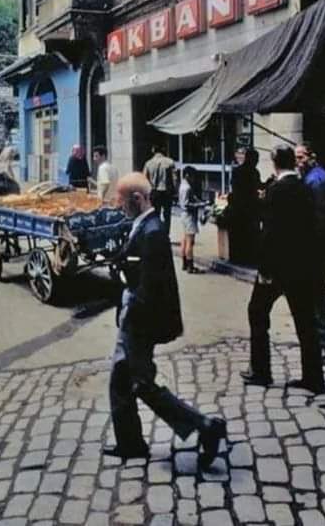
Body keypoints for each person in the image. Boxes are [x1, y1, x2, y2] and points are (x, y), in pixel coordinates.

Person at [106, 172, 226, 468]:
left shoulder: (153, 232)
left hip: (139, 322)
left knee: (141, 384)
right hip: (134, 318)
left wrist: (131, 319)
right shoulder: (144, 226)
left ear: (138, 199)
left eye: (122, 201)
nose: (119, 206)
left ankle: (205, 427)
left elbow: (150, 287)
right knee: (121, 381)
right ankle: (130, 443)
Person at [241, 145, 325, 394]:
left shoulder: (275, 192)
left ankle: (261, 371)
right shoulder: (304, 189)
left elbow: (269, 234)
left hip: (277, 268)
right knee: (306, 322)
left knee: (257, 312)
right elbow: (313, 228)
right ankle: (314, 377)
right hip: (302, 267)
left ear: (275, 163)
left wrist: (264, 268)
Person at [295, 142, 325, 357]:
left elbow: (320, 219)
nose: (298, 162)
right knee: (317, 296)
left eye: (301, 157)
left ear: (311, 157)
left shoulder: (315, 181)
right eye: (296, 158)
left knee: (310, 296)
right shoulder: (323, 177)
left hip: (317, 248)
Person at [226, 147, 262, 265]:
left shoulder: (238, 171)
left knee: (238, 235)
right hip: (249, 208)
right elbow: (257, 187)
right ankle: (249, 257)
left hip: (238, 207)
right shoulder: (253, 172)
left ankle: (237, 258)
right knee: (249, 235)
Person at [143, 143, 176, 238]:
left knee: (155, 214)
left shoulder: (148, 163)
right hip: (166, 191)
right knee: (167, 215)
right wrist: (174, 191)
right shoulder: (170, 162)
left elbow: (144, 178)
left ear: (154, 151)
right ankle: (166, 234)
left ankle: (156, 233)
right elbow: (174, 179)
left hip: (154, 192)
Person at [178, 166, 205, 273]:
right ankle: (190, 265)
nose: (193, 179)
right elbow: (187, 204)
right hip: (189, 215)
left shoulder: (183, 185)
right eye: (192, 176)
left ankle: (185, 263)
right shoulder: (187, 188)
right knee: (190, 241)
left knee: (184, 239)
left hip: (184, 215)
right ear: (187, 175)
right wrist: (199, 204)